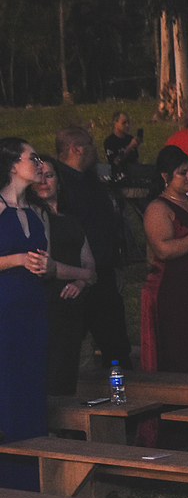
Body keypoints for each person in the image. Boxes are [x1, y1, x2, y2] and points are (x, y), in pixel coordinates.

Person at [55, 125, 132, 368]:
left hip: (103, 271)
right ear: (76, 149)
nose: (94, 149)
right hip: (74, 276)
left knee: (116, 344)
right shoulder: (60, 183)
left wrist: (115, 264)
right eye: (90, 143)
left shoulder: (90, 180)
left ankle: (121, 382)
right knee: (70, 346)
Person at [140, 145, 188, 373]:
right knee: (179, 350)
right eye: (182, 173)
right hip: (175, 289)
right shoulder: (158, 207)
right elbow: (163, 249)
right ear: (165, 176)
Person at [0, 138, 51, 490]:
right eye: (32, 157)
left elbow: (46, 261)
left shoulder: (35, 210)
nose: (39, 163)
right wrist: (17, 259)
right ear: (12, 164)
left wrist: (47, 267)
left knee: (33, 386)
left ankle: (35, 479)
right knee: (9, 387)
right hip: (6, 309)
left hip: (34, 307)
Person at [30, 160, 97, 395]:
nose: (44, 181)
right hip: (48, 300)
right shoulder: (34, 217)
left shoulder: (71, 219)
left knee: (70, 371)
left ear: (58, 181)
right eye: (39, 176)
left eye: (49, 175)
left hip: (73, 305)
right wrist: (84, 274)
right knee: (52, 372)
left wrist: (81, 281)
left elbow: (90, 264)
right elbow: (45, 265)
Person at [103, 111, 142, 184]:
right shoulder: (110, 141)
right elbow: (115, 161)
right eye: (124, 123)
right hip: (119, 178)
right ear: (116, 124)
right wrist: (130, 147)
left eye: (128, 123)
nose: (127, 125)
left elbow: (135, 159)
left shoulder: (129, 139)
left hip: (133, 176)